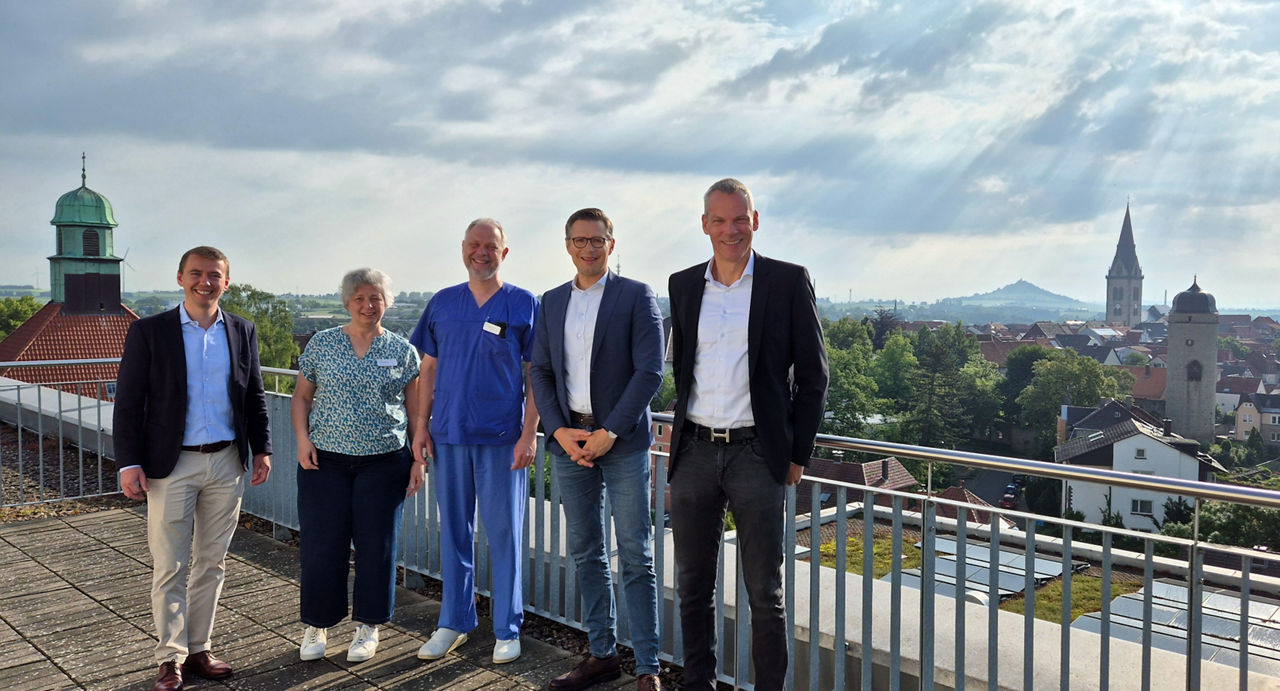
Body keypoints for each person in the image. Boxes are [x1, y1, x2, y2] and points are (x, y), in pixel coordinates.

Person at [667, 179, 829, 691]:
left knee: (764, 590)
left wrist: (797, 452)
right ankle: (699, 684)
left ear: (755, 221)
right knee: (692, 585)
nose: (731, 229)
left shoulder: (786, 281)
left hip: (758, 455)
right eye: (719, 220)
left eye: (740, 219)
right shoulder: (684, 284)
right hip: (693, 449)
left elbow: (814, 376)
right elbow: (683, 367)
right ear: (705, 225)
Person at [114, 246, 272, 691]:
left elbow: (254, 396)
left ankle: (199, 649)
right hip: (172, 465)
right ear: (181, 277)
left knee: (212, 563)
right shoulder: (150, 332)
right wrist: (129, 462)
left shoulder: (241, 330)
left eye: (215, 275)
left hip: (226, 462)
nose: (206, 282)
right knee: (170, 564)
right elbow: (128, 403)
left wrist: (262, 450)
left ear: (227, 281)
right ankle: (170, 657)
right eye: (197, 274)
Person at [530, 208, 665, 691]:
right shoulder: (550, 302)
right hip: (570, 443)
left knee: (635, 554)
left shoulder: (635, 296)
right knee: (586, 552)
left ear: (612, 243)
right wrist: (560, 431)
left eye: (598, 240)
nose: (589, 248)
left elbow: (650, 371)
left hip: (622, 443)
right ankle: (602, 655)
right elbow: (541, 372)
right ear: (567, 244)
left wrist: (611, 429)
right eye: (580, 240)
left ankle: (648, 667)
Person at [410, 218, 539, 665]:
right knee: (455, 535)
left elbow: (535, 375)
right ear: (463, 249)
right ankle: (454, 621)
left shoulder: (524, 304)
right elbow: (427, 369)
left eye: (491, 246)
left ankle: (507, 627)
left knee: (503, 534)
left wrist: (529, 434)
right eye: (474, 245)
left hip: (503, 440)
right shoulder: (444, 303)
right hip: (448, 436)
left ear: (505, 252)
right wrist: (421, 426)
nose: (482, 253)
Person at [291, 268, 422, 663]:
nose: (368, 305)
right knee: (320, 545)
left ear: (387, 302)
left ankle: (369, 625)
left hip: (384, 463)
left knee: (376, 546)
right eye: (360, 298)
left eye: (376, 298)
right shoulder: (322, 344)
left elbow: (416, 414)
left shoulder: (402, 351)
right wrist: (301, 440)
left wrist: (418, 462)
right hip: (324, 462)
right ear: (347, 302)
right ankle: (318, 624)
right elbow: (300, 398)